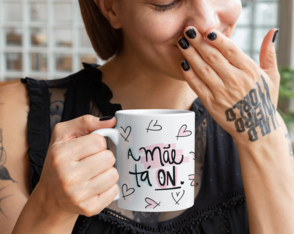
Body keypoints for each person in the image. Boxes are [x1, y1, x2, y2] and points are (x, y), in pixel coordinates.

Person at [0, 0, 293, 233]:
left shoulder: (260, 117)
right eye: (167, 2)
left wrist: (263, 136)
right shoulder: (14, 115)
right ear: (111, 7)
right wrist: (50, 209)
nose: (207, 22)